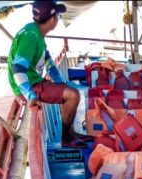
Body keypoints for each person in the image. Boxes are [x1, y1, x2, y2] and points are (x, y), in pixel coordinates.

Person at [7, 0, 90, 147]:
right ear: (52, 19)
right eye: (58, 15)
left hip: (33, 81)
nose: (58, 19)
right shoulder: (31, 37)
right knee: (73, 95)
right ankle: (66, 138)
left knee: (67, 90)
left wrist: (60, 82)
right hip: (28, 85)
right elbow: (17, 69)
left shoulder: (35, 32)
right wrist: (31, 96)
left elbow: (49, 63)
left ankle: (70, 133)